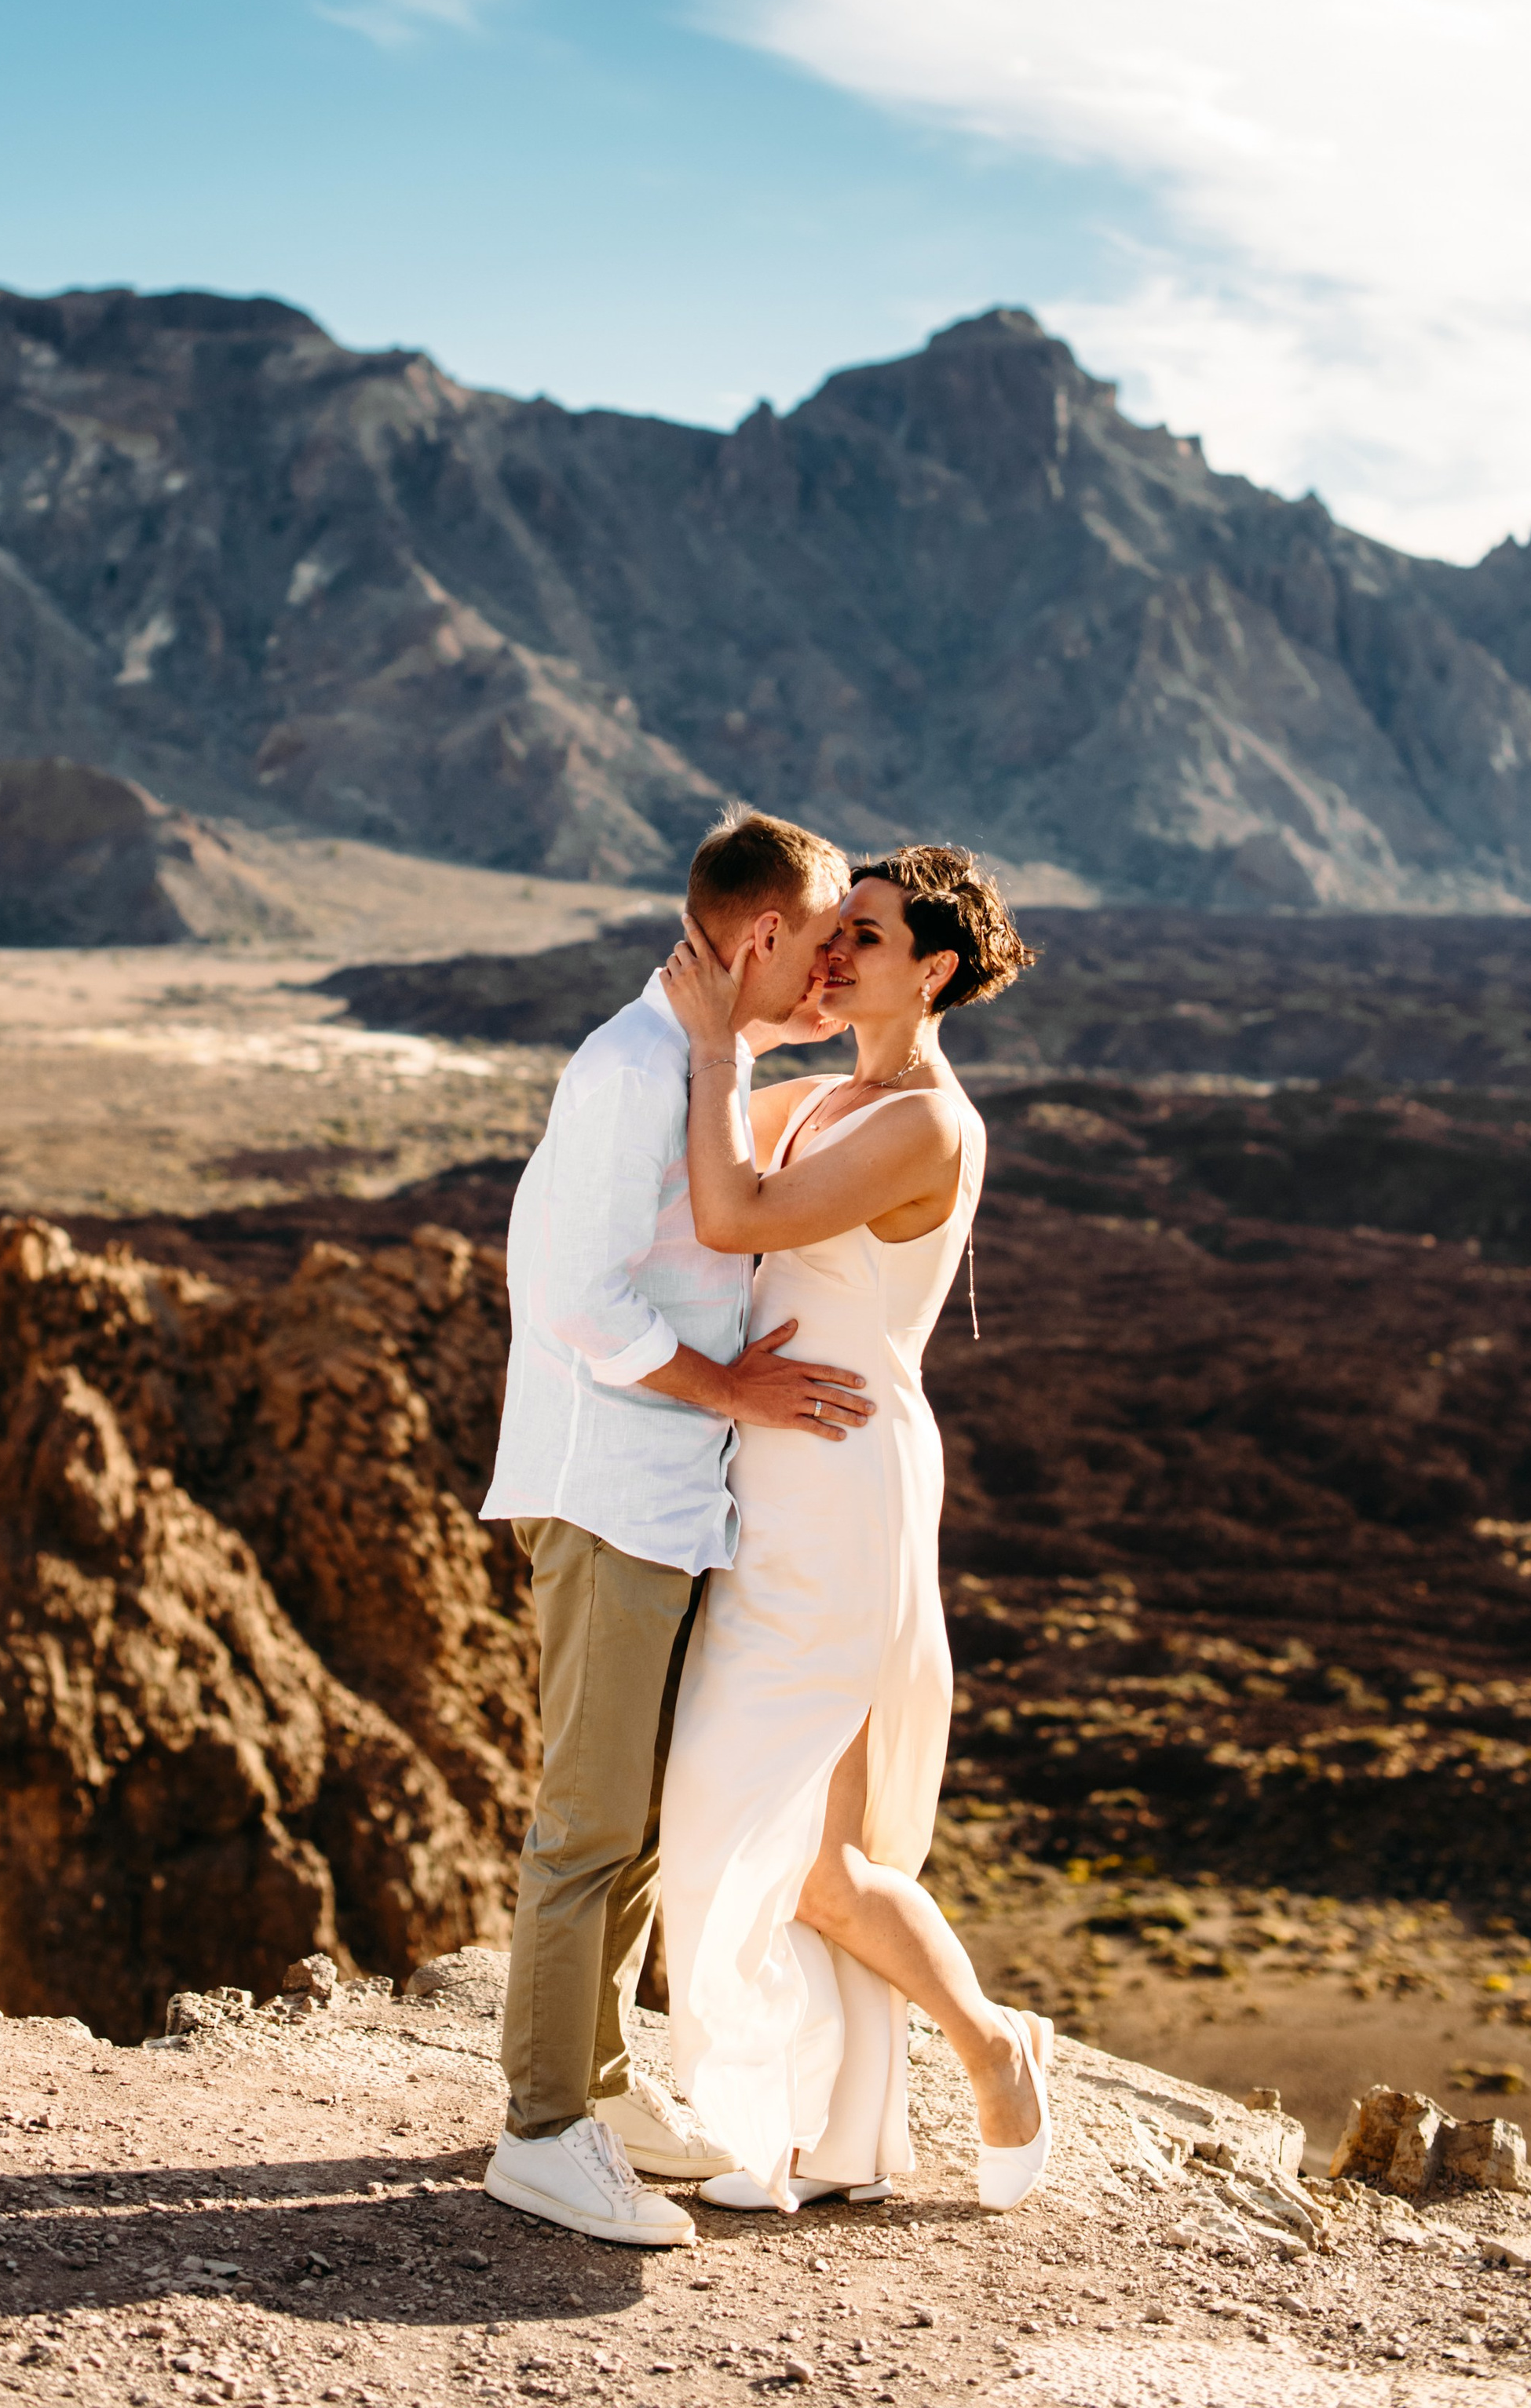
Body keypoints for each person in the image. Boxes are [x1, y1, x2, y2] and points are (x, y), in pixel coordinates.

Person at [480, 806, 874, 2249]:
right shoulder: (631, 1068)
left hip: (666, 1500)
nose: (834, 968)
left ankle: (595, 2084)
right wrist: (739, 1391)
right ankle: (539, 2129)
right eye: (827, 940)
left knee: (639, 1819)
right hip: (607, 1499)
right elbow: (576, 1296)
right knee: (587, 1821)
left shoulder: (701, 1062)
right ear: (761, 934)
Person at [656, 845, 1053, 2216]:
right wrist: (767, 1020)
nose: (838, 957)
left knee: (799, 1849)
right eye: (836, 938)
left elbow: (731, 1209)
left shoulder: (929, 1123)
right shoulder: (832, 1097)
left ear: (933, 971)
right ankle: (809, 2125)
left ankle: (991, 2049)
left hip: (841, 1484)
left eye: (865, 940)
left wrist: (720, 1049)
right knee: (770, 1824)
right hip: (776, 1470)